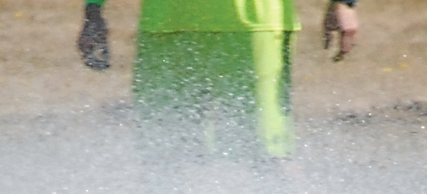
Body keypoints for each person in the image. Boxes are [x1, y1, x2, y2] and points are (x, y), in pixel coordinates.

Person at [76, 0, 362, 159]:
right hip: (167, 25)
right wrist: (93, 9)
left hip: (252, 26)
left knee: (264, 155)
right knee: (163, 156)